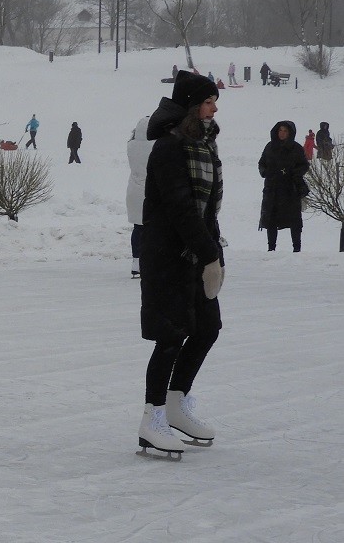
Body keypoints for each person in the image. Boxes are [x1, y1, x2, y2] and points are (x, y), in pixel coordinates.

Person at [137, 70, 224, 458]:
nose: (214, 108)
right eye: (207, 102)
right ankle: (152, 418)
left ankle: (176, 402)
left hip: (195, 251)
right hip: (167, 254)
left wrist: (215, 253)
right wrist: (207, 254)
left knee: (207, 327)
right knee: (170, 335)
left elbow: (207, 209)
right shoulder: (169, 148)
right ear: (192, 106)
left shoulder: (204, 146)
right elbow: (180, 207)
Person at [258, 121, 310, 252]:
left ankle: (297, 248)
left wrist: (294, 174)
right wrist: (266, 172)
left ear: (290, 133)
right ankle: (271, 248)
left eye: (285, 131)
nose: (282, 133)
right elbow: (262, 163)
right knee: (271, 219)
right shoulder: (270, 147)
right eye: (280, 130)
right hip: (272, 189)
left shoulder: (296, 148)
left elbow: (304, 165)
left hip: (290, 190)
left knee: (294, 220)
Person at [126, 116, 152, 278]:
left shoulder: (131, 146)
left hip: (134, 193)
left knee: (138, 229)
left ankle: (136, 262)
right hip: (151, 192)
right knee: (156, 230)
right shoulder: (159, 145)